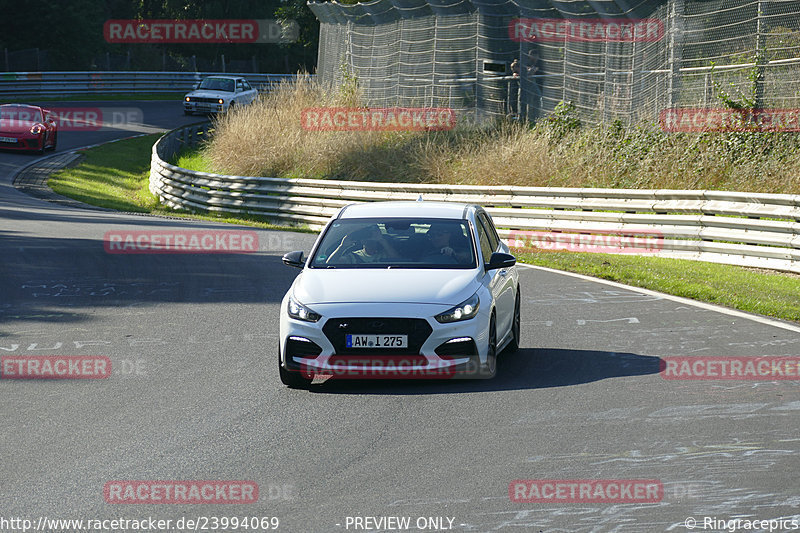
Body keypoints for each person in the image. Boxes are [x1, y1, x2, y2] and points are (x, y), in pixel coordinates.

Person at [326, 224, 399, 264]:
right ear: (362, 241)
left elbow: (398, 262)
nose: (370, 238)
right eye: (366, 236)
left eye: (372, 235)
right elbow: (330, 263)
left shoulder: (386, 253)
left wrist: (382, 240)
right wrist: (342, 247)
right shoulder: (353, 256)